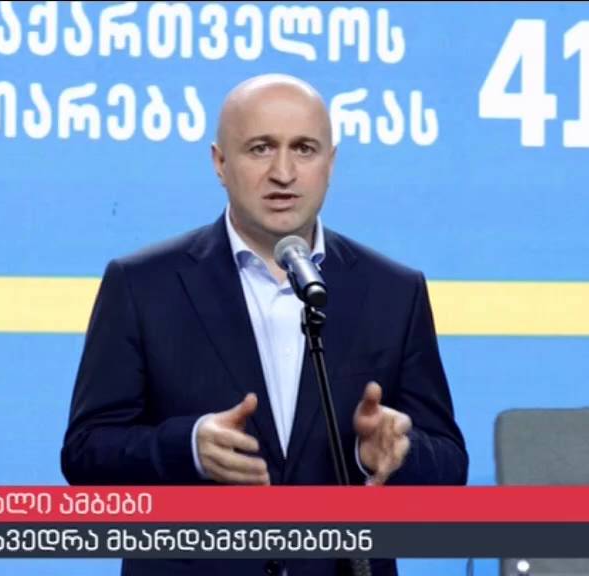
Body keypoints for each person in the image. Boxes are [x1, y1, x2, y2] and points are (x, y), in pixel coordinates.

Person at [61, 74, 468, 576]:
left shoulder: (393, 291)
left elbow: (450, 465)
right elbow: (85, 453)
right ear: (219, 162)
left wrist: (390, 454)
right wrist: (187, 448)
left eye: (304, 149)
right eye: (260, 148)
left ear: (330, 163)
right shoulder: (142, 284)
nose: (283, 172)